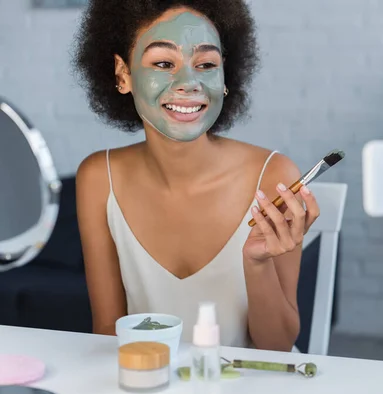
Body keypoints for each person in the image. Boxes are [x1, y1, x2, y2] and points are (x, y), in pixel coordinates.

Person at [72, 0, 320, 352]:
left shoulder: (274, 177)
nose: (189, 82)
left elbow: (277, 349)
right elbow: (108, 334)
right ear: (122, 74)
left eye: (206, 64)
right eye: (162, 63)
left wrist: (257, 262)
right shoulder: (99, 178)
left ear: (224, 78)